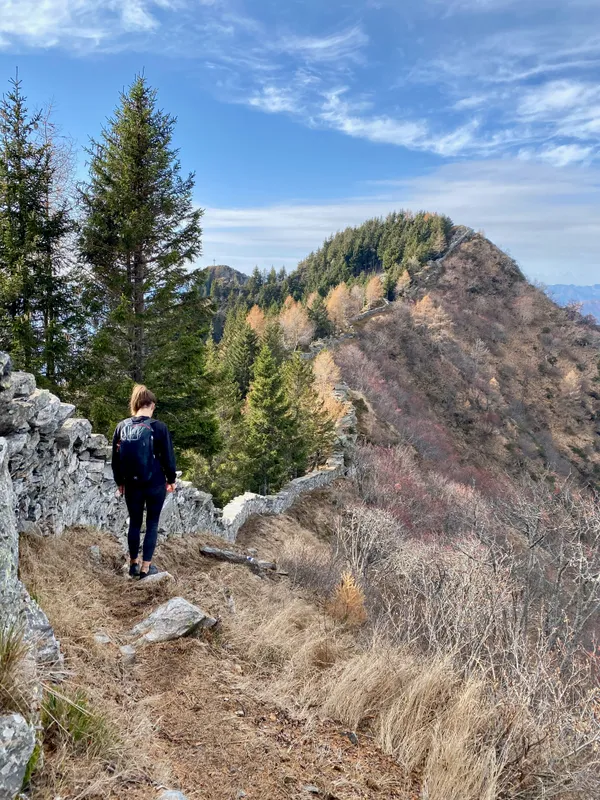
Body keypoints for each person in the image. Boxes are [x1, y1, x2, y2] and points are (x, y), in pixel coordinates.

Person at [112, 385, 177, 579]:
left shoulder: (121, 426)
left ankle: (132, 564)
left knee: (134, 523)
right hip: (155, 482)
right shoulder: (158, 427)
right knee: (152, 524)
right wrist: (171, 479)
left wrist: (119, 482)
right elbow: (168, 457)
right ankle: (146, 568)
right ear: (152, 405)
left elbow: (115, 459)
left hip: (131, 484)